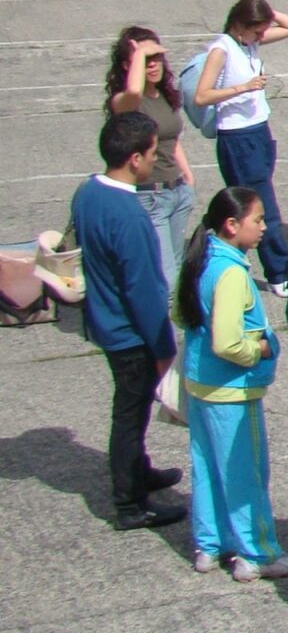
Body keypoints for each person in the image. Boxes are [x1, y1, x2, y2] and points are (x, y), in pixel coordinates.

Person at [178, 186, 288, 581]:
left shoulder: (201, 258)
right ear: (232, 225)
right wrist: (260, 349)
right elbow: (227, 342)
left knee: (206, 467)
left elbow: (180, 314)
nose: (264, 227)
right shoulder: (231, 273)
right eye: (258, 220)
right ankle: (256, 553)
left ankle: (209, 544)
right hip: (231, 390)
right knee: (245, 472)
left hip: (200, 384)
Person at [72, 111, 184, 530]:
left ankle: (140, 469)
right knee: (130, 416)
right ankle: (130, 503)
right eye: (152, 152)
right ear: (135, 159)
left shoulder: (87, 192)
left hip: (104, 321)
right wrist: (163, 347)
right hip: (130, 335)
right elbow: (144, 291)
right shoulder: (130, 215)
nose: (156, 159)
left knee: (130, 411)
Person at [192, 0, 288, 295]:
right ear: (240, 26)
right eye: (257, 30)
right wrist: (243, 87)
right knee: (263, 208)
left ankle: (221, 254)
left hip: (259, 130)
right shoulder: (222, 49)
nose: (261, 36)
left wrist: (267, 12)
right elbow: (202, 95)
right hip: (237, 136)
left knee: (250, 203)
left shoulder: (249, 43)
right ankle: (279, 272)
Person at [105, 26, 196, 289]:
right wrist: (139, 54)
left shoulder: (163, 96)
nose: (154, 64)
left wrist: (187, 177)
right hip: (149, 196)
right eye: (146, 60)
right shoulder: (125, 102)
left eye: (157, 57)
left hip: (177, 191)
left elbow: (171, 139)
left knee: (176, 267)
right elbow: (133, 92)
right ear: (128, 65)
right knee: (165, 277)